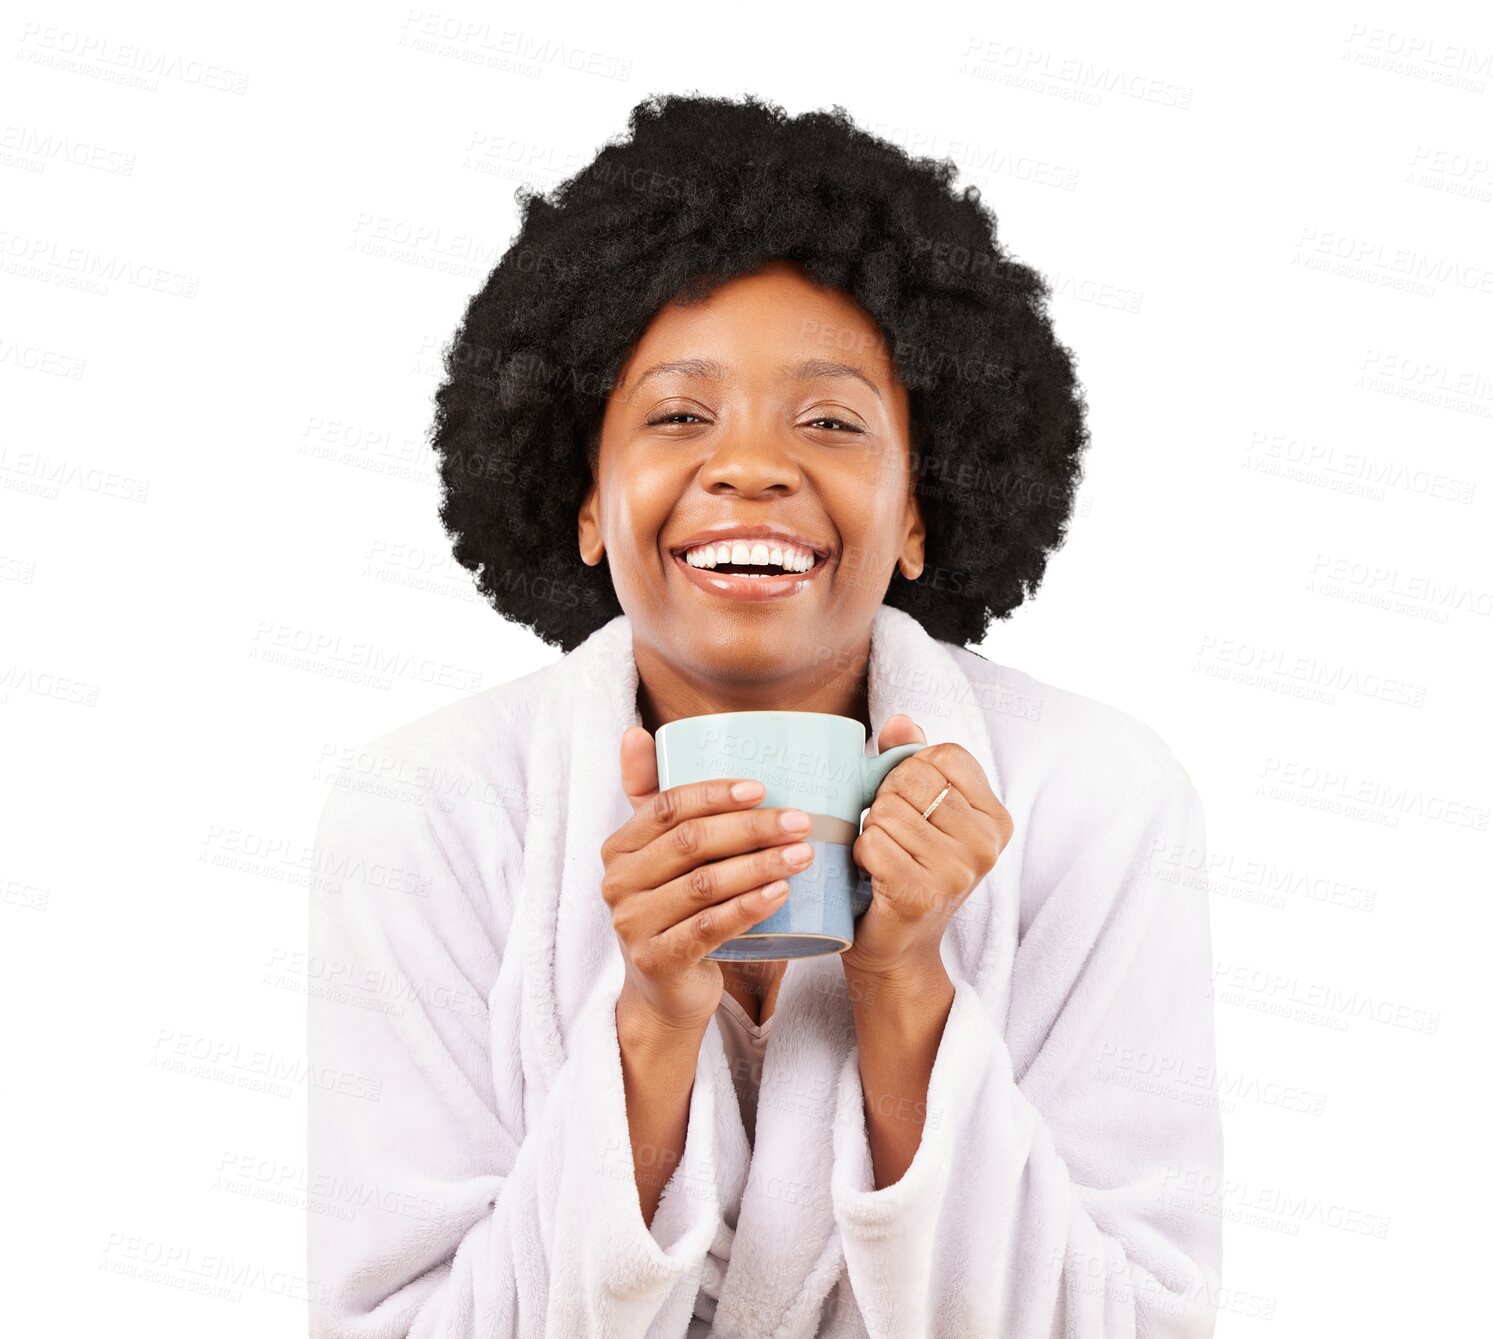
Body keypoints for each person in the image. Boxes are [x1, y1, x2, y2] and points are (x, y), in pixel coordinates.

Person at [307, 93, 1222, 1338]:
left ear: (917, 509)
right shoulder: (425, 810)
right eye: (678, 414)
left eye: (831, 421)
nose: (749, 466)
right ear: (584, 500)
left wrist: (906, 989)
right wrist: (649, 1030)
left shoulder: (1096, 798)